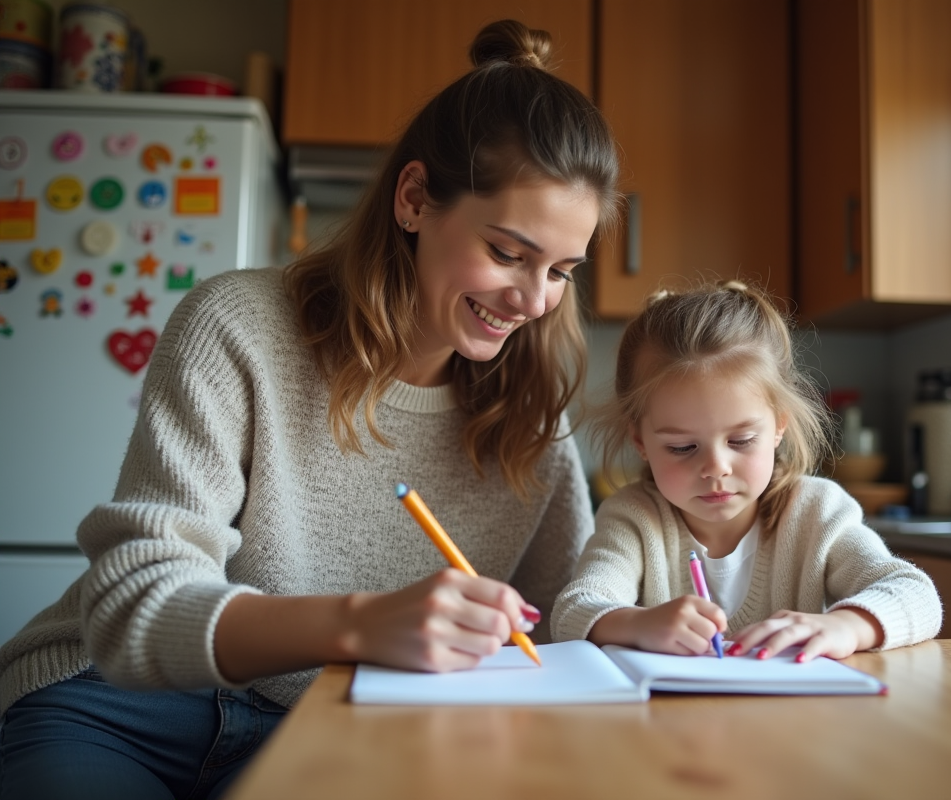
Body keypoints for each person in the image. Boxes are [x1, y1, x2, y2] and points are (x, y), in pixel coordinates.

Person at [0, 19, 619, 800]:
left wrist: (623, 620)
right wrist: (360, 624)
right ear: (415, 199)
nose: (534, 300)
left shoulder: (529, 414)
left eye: (562, 269)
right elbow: (133, 612)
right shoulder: (238, 327)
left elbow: (567, 619)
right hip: (119, 705)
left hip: (331, 723)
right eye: (507, 253)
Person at [551, 281, 942, 661]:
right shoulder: (634, 518)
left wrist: (846, 626)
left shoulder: (816, 512)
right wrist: (637, 624)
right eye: (682, 447)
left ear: (779, 425)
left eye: (740, 441)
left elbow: (915, 594)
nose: (716, 468)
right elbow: (574, 609)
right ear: (640, 441)